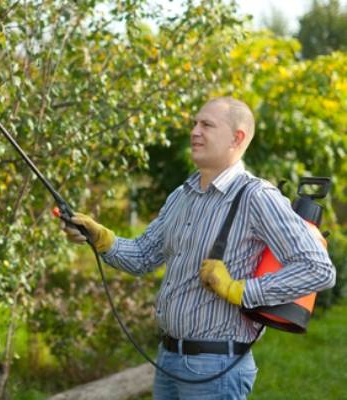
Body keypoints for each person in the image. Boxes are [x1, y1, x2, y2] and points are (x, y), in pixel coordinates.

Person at [62, 96, 336, 399]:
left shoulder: (257, 197)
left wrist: (239, 290)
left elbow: (318, 269)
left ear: (237, 137)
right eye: (194, 123)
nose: (194, 131)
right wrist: (101, 238)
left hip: (216, 367)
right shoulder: (182, 195)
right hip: (168, 359)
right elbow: (142, 257)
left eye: (206, 124)